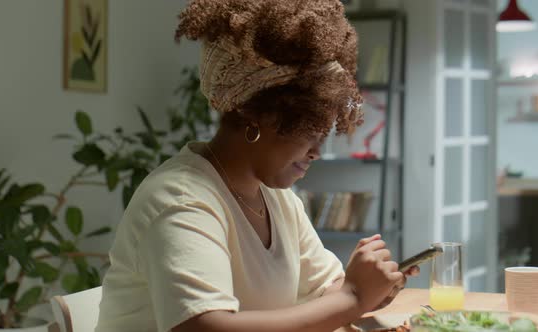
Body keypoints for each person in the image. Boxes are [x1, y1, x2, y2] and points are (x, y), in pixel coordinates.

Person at [95, 1, 419, 331]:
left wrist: (373, 288)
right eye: (309, 129)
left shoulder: (277, 200)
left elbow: (327, 293)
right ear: (257, 115)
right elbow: (204, 328)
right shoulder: (179, 200)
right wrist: (352, 297)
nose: (317, 151)